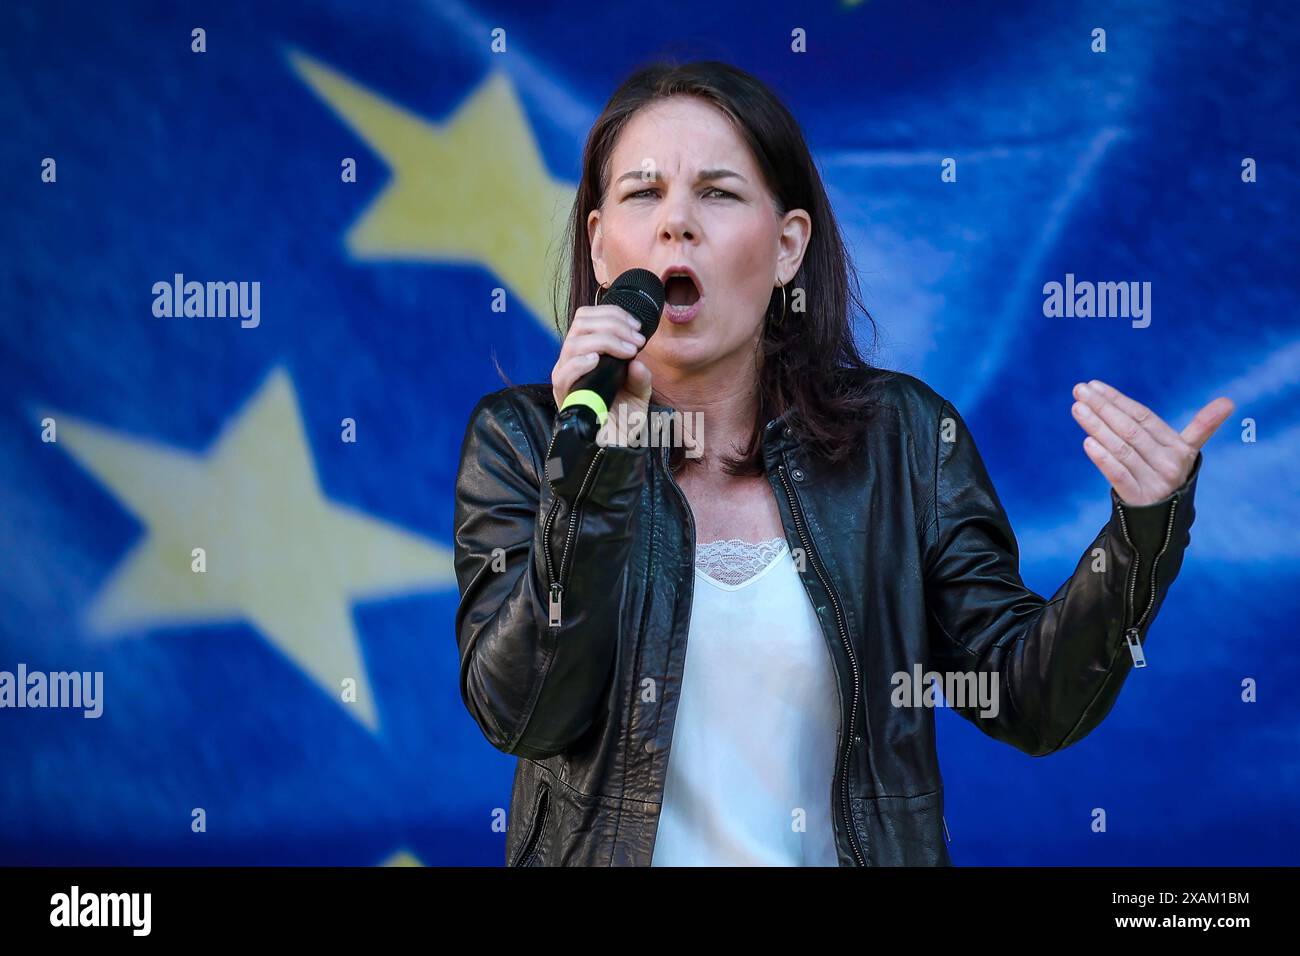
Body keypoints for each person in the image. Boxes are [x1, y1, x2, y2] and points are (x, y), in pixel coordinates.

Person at [452, 60, 1233, 866]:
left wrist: (1140, 535)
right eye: (642, 194)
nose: (676, 223)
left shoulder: (901, 441)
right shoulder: (522, 441)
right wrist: (599, 470)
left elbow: (1030, 700)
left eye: (717, 193)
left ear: (788, 247)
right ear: (600, 243)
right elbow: (525, 713)